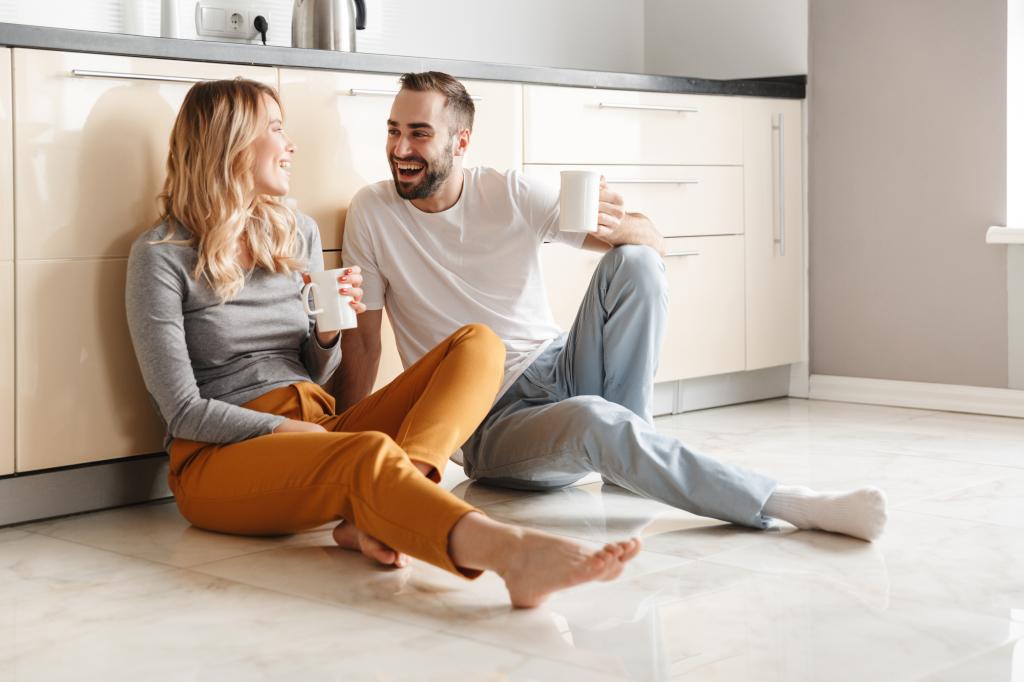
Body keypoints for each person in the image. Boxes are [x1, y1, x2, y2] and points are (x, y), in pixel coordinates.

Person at [124, 78, 641, 609]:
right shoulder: (160, 257)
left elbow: (316, 375)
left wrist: (326, 334)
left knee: (477, 344)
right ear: (231, 143)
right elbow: (184, 412)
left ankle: (392, 506)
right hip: (220, 457)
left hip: (317, 425)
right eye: (276, 129)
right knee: (365, 452)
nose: (290, 145)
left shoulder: (292, 232)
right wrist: (289, 429)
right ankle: (513, 556)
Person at [333, 71, 888, 542]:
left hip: (560, 365)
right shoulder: (373, 213)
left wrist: (616, 224)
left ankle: (630, 455)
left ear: (460, 143)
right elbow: (364, 341)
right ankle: (787, 502)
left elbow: (653, 242)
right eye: (394, 132)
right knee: (596, 421)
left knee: (637, 263)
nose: (401, 150)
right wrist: (338, 449)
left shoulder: (510, 192)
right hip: (488, 421)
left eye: (419, 134)